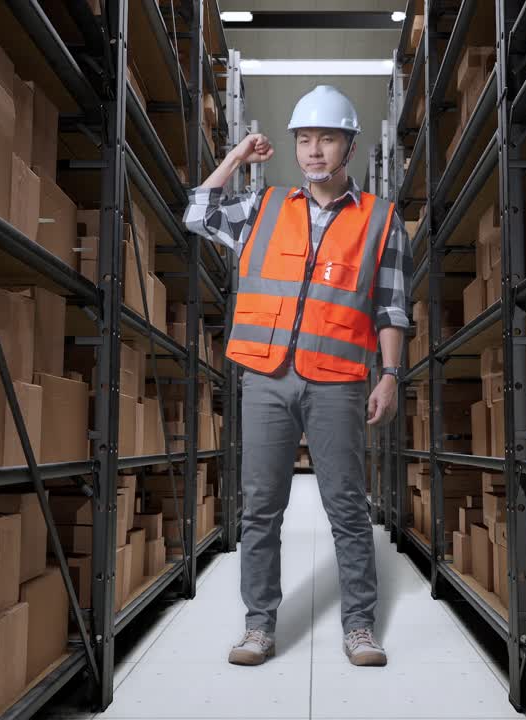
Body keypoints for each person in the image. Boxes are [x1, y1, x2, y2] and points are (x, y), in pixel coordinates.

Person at [183, 85, 412, 667]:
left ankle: (359, 626)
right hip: (265, 376)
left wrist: (389, 376)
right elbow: (197, 213)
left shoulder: (381, 219)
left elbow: (390, 306)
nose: (314, 151)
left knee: (347, 507)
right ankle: (259, 626)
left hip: (338, 378)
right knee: (260, 507)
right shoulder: (264, 206)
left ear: (350, 146)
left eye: (327, 138)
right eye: (304, 139)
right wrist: (235, 159)